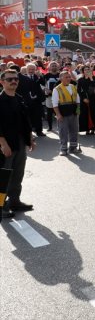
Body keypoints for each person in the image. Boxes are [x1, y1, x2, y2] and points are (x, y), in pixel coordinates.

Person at [0, 69, 35, 219]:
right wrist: (2, 143)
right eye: (9, 79)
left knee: (17, 174)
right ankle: (1, 206)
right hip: (6, 143)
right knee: (3, 177)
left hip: (20, 142)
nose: (14, 81)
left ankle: (15, 201)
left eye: (15, 79)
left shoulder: (19, 98)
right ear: (2, 82)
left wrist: (30, 138)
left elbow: (25, 121)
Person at [52, 70, 81, 156]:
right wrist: (58, 114)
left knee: (74, 130)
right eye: (66, 77)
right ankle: (63, 148)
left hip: (73, 112)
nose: (69, 78)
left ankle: (73, 147)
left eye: (69, 77)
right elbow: (55, 104)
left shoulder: (73, 86)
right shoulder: (57, 89)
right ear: (61, 78)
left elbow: (77, 99)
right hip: (63, 113)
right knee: (63, 131)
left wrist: (78, 108)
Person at [76, 65, 95, 135]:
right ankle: (87, 129)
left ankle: (93, 128)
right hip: (84, 98)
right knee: (85, 114)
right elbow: (78, 91)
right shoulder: (80, 80)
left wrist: (91, 79)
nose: (87, 71)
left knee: (93, 113)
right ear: (83, 71)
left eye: (88, 69)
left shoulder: (94, 78)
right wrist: (83, 98)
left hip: (93, 98)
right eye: (85, 70)